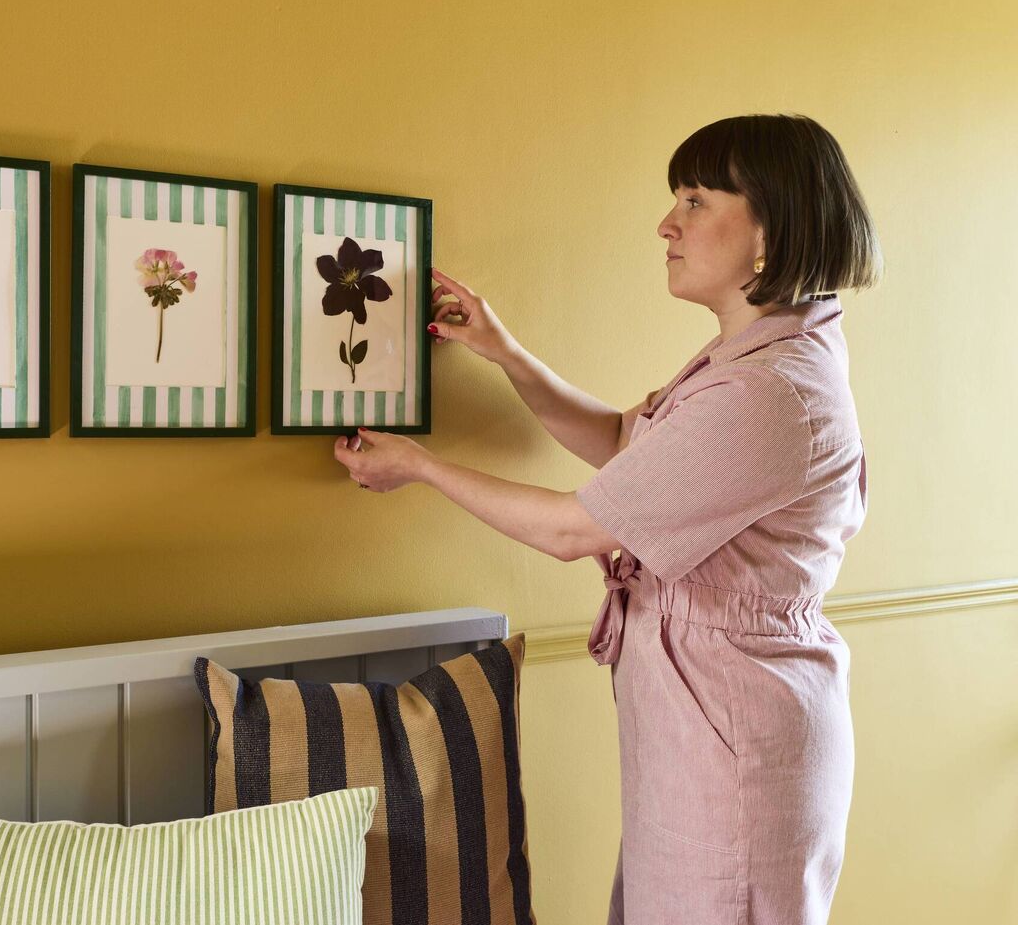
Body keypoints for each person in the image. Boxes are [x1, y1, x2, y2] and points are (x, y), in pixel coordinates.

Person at [333, 113, 882, 925]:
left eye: (695, 200)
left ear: (771, 225)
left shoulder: (771, 391)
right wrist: (508, 354)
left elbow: (572, 529)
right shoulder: (751, 357)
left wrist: (419, 465)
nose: (668, 223)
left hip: (735, 742)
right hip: (709, 724)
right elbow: (628, 448)